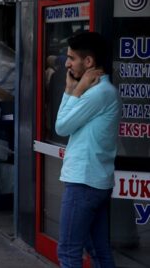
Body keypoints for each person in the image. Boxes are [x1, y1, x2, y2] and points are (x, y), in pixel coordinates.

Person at [54, 32, 120, 268]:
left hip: (83, 183)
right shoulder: (101, 91)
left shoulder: (98, 93)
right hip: (94, 182)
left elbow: (61, 126)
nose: (67, 63)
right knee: (98, 250)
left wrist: (73, 91)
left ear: (89, 62)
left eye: (72, 58)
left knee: (68, 252)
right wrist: (75, 90)